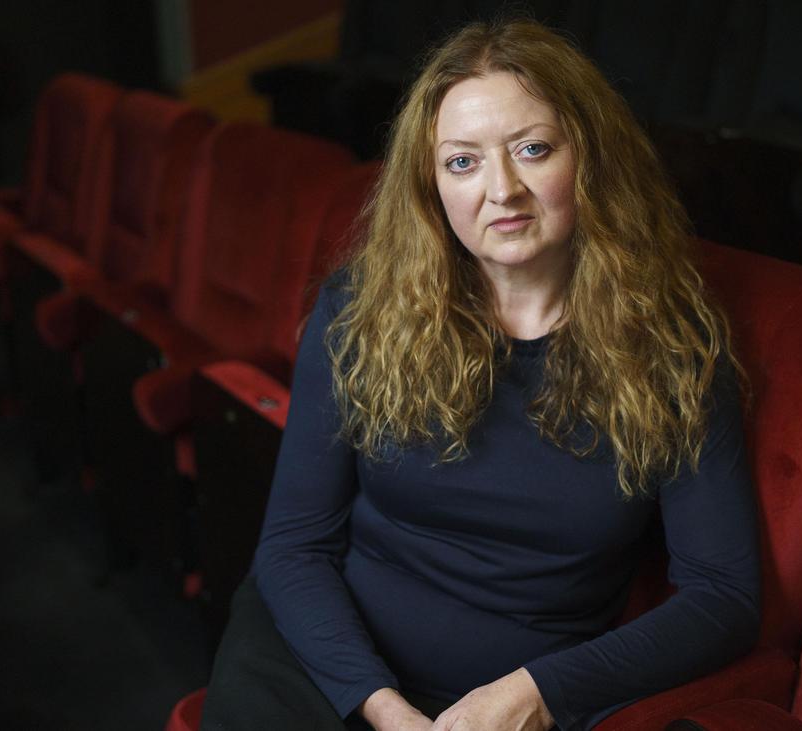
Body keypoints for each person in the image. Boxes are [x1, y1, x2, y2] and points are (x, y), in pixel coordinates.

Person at [202, 17, 760, 731]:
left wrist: (535, 694)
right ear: (430, 186)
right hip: (323, 663)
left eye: (532, 149)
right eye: (462, 162)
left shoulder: (671, 348)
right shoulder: (359, 311)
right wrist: (382, 707)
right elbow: (292, 546)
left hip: (511, 709)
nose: (502, 189)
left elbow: (722, 596)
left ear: (590, 156)